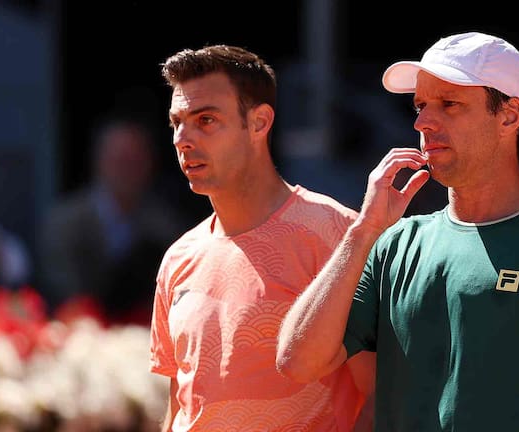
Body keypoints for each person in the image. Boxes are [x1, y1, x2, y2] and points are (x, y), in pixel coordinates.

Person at [276, 31, 519, 431]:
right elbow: (298, 362)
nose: (423, 121)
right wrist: (364, 229)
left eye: (449, 104)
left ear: (509, 116)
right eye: (420, 105)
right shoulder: (391, 244)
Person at [148, 44, 375, 431]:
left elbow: (379, 394)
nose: (182, 139)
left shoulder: (338, 234)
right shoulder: (177, 257)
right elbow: (179, 407)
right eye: (177, 122)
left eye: (205, 120)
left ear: (259, 123)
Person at [40, 116, 184, 325]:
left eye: (134, 161)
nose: (126, 169)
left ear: (150, 164)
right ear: (98, 160)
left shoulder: (167, 227)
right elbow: (63, 293)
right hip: (77, 338)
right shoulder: (63, 224)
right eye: (118, 159)